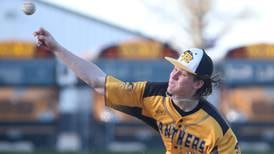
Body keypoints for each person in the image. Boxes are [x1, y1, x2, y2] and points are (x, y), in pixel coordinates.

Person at [34, 28, 241, 154]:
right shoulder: (152, 95)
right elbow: (97, 81)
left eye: (183, 74)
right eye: (175, 69)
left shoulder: (218, 131)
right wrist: (57, 49)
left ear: (197, 84)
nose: (173, 75)